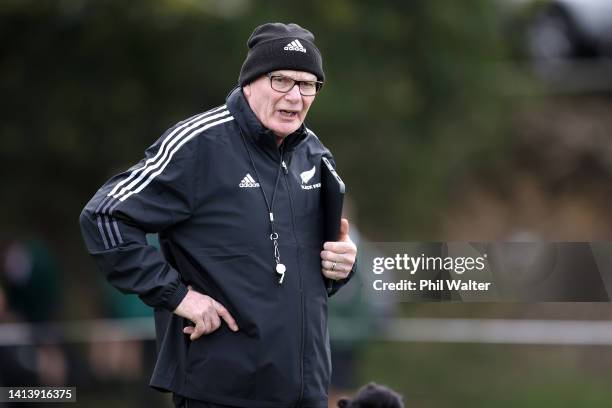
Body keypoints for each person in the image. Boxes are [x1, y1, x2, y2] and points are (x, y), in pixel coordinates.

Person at [79, 22, 357, 408]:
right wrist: (177, 296)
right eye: (282, 80)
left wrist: (340, 267)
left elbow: (310, 271)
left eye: (308, 84)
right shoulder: (199, 144)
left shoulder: (316, 154)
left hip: (304, 393)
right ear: (250, 82)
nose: (296, 96)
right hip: (220, 392)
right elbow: (104, 216)